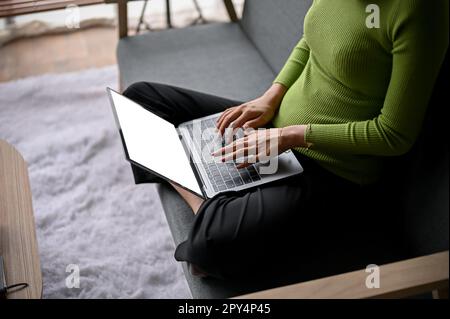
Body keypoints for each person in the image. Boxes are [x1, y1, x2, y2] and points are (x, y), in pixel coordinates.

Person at [123, 0, 448, 279]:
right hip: (273, 127)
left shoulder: (420, 11)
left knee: (210, 247)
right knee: (140, 101)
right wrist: (270, 97)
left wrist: (292, 136)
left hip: (331, 169)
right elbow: (310, 39)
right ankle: (211, 192)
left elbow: (393, 134)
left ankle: (207, 198)